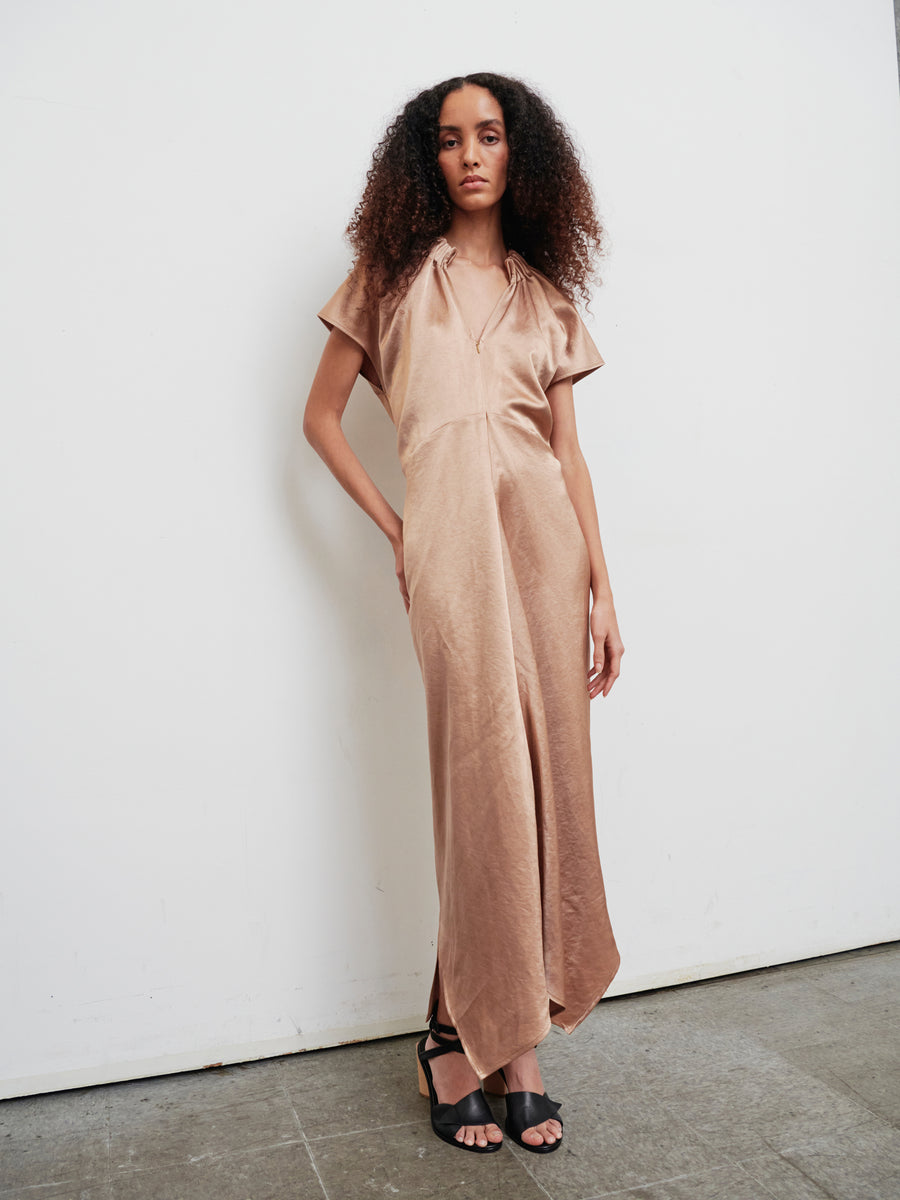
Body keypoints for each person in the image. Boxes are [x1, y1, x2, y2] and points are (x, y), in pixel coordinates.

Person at [303, 71, 623, 1156]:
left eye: (489, 136)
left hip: (546, 556)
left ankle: (504, 1043)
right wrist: (399, 530)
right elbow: (322, 419)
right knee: (481, 780)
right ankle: (467, 1037)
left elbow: (568, 458)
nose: (471, 155)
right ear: (423, 160)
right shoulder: (389, 281)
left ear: (520, 154)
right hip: (447, 557)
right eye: (448, 140)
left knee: (545, 785)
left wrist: (603, 588)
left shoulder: (546, 299)